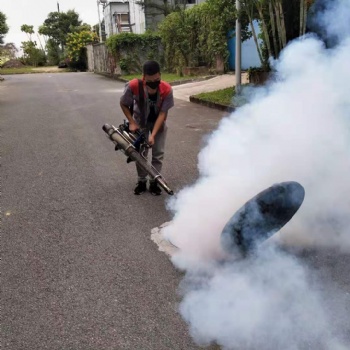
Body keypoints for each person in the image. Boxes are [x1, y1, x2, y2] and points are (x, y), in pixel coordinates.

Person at [120, 60, 174, 195]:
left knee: (158, 153)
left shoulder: (166, 89)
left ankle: (155, 181)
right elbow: (123, 104)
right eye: (150, 81)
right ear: (144, 77)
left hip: (158, 123)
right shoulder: (134, 86)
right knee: (141, 153)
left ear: (160, 75)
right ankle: (142, 181)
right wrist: (132, 122)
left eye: (157, 80)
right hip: (140, 123)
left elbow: (163, 114)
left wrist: (153, 135)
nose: (154, 84)